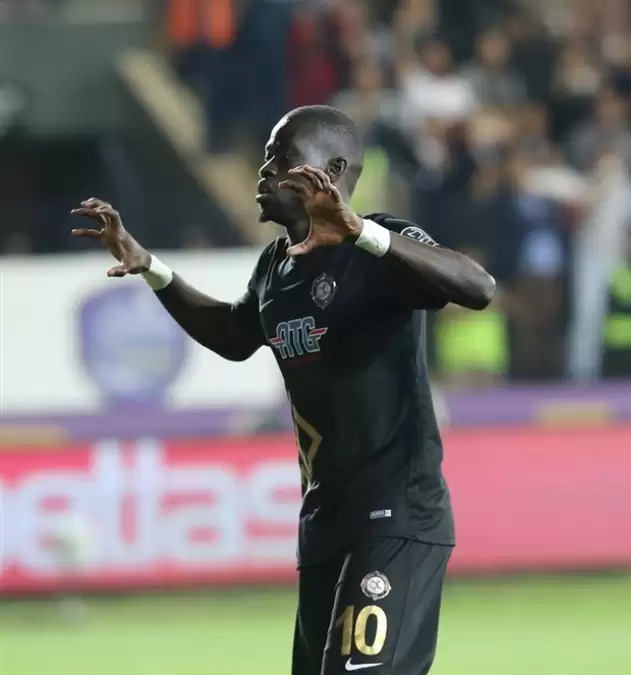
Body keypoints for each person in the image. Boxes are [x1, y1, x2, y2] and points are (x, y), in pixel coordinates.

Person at [71, 105, 495, 675]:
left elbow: (477, 287)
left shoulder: (380, 243)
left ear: (333, 169)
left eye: (282, 158)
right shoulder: (276, 266)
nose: (264, 170)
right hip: (324, 523)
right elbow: (233, 335)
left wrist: (361, 232)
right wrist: (153, 269)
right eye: (267, 157)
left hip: (396, 515)